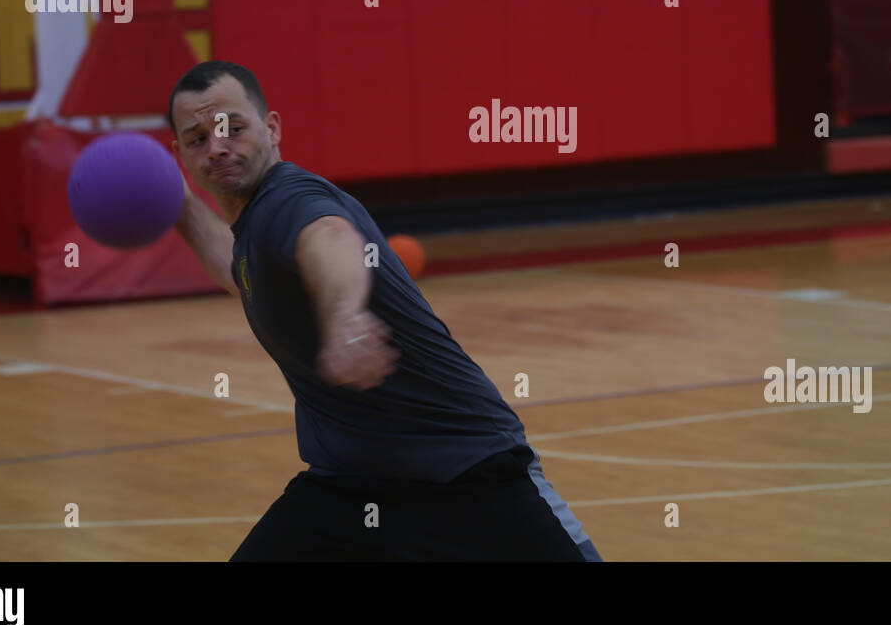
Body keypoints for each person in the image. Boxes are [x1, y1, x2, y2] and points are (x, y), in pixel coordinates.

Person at [168, 60, 602, 561]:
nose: (217, 147)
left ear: (272, 128)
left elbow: (329, 238)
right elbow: (237, 271)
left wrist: (346, 316)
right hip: (351, 493)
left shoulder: (288, 199)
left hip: (467, 475)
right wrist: (178, 205)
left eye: (232, 129)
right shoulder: (253, 236)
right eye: (198, 140)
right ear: (179, 154)